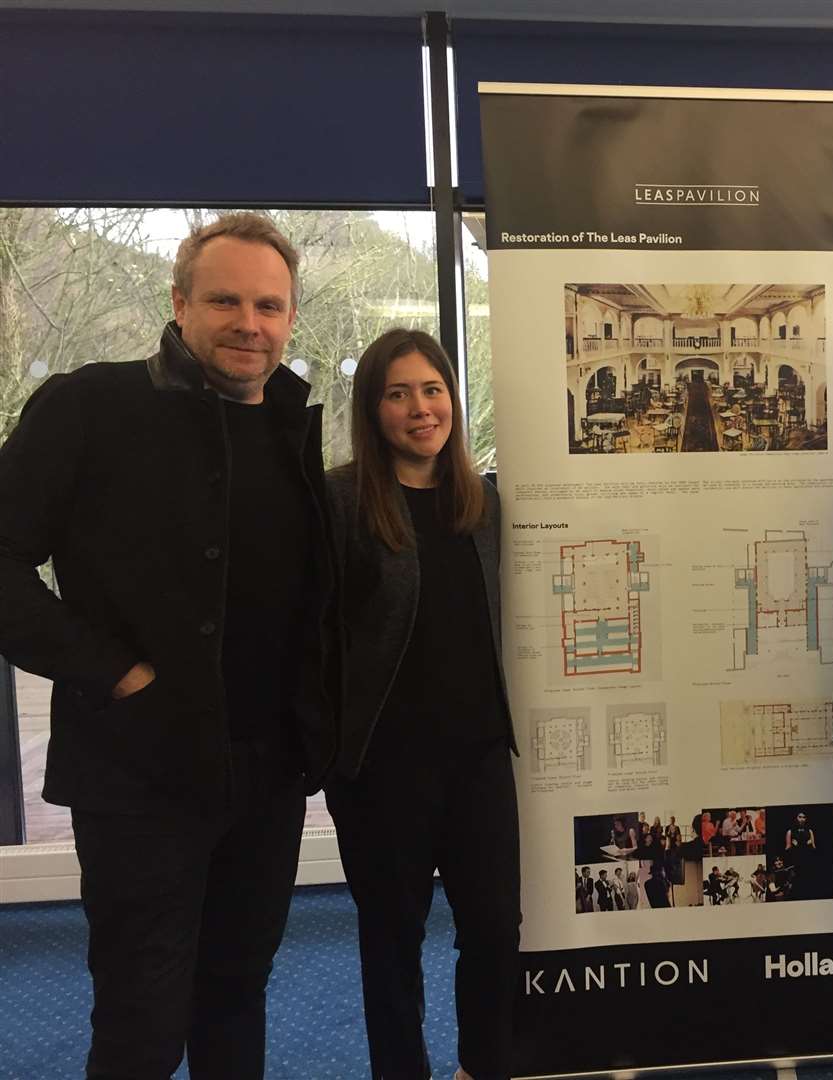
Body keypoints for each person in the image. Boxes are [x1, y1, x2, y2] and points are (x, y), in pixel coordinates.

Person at [0, 212, 336, 1077]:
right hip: (139, 772)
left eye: (269, 305)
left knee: (237, 993)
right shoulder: (89, 406)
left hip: (267, 774)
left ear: (291, 317)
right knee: (143, 1015)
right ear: (179, 302)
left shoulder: (294, 425)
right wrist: (115, 672)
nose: (248, 323)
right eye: (225, 300)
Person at [324, 327, 519, 1080]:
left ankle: (485, 1068)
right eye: (398, 393)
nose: (419, 408)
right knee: (393, 942)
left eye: (432, 389)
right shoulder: (341, 501)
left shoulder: (482, 502)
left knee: (497, 931)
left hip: (477, 759)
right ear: (373, 410)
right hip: (382, 768)